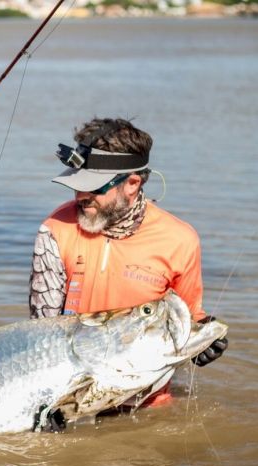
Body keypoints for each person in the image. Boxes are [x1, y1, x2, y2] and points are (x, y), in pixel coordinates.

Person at [29, 117, 227, 410]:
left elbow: (186, 320)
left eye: (94, 188)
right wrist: (47, 405)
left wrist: (202, 346)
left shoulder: (180, 240)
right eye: (77, 184)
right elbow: (41, 335)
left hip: (145, 408)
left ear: (132, 183)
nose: (81, 196)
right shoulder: (55, 228)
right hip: (67, 401)